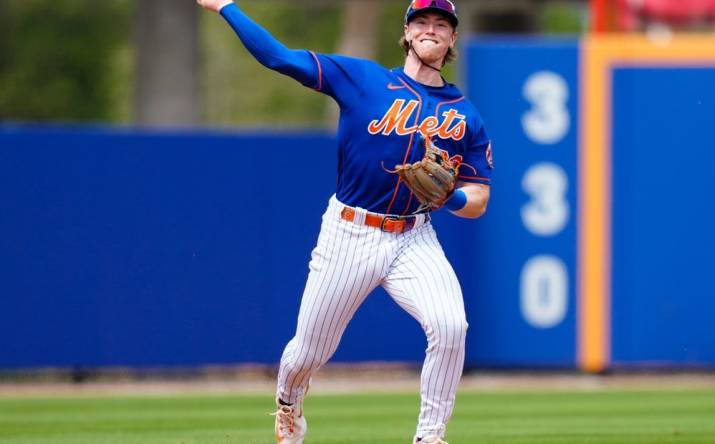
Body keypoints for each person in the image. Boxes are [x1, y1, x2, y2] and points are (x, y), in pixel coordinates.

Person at [196, 1, 493, 443]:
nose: (431, 29)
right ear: (407, 32)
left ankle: (430, 437)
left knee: (451, 325)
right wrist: (227, 7)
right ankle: (288, 402)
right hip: (351, 232)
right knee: (308, 353)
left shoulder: (466, 116)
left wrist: (451, 197)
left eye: (441, 24)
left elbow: (480, 199)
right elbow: (280, 57)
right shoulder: (363, 78)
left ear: (451, 40)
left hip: (415, 236)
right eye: (422, 21)